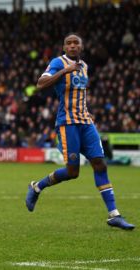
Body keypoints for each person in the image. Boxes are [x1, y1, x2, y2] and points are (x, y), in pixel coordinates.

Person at [25, 33, 135, 230]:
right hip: (67, 123)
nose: (73, 46)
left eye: (76, 43)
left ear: (82, 47)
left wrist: (87, 111)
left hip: (85, 122)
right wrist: (65, 71)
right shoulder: (58, 62)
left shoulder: (84, 67)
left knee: (100, 164)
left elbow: (79, 94)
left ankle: (114, 215)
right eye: (69, 43)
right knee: (72, 172)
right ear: (64, 47)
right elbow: (40, 84)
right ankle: (37, 187)